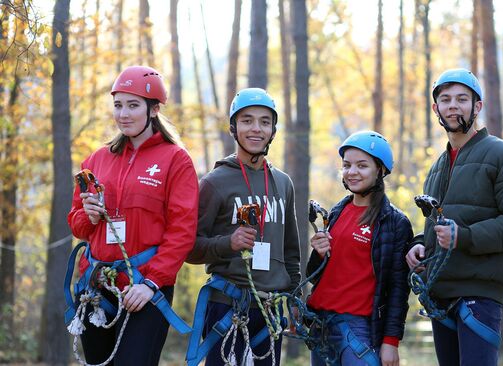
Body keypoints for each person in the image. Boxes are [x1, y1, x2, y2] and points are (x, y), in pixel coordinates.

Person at [66, 65, 199, 365]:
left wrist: (151, 284)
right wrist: (90, 216)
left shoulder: (175, 161)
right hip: (97, 286)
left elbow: (182, 231)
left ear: (153, 110)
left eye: (133, 105)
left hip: (145, 289)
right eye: (118, 105)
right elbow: (77, 224)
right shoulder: (97, 160)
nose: (123, 114)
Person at [405, 68, 503, 366]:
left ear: (477, 107)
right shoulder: (438, 166)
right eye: (446, 99)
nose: (453, 105)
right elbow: (436, 226)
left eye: (462, 99)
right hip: (440, 295)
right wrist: (418, 245)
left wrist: (463, 237)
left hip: (479, 296)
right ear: (435, 108)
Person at [185, 87, 301, 366]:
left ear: (273, 130)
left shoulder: (283, 183)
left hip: (270, 310)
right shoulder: (215, 182)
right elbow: (190, 249)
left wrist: (296, 299)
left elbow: (291, 251)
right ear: (234, 127)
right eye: (247, 120)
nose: (256, 129)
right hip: (227, 307)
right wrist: (228, 243)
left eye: (265, 121)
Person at [306, 131, 413, 366]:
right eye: (347, 165)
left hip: (357, 329)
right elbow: (316, 275)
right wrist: (319, 253)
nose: (352, 172)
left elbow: (398, 288)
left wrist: (391, 341)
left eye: (362, 166)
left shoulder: (394, 222)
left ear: (380, 170)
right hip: (321, 326)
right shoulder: (336, 212)